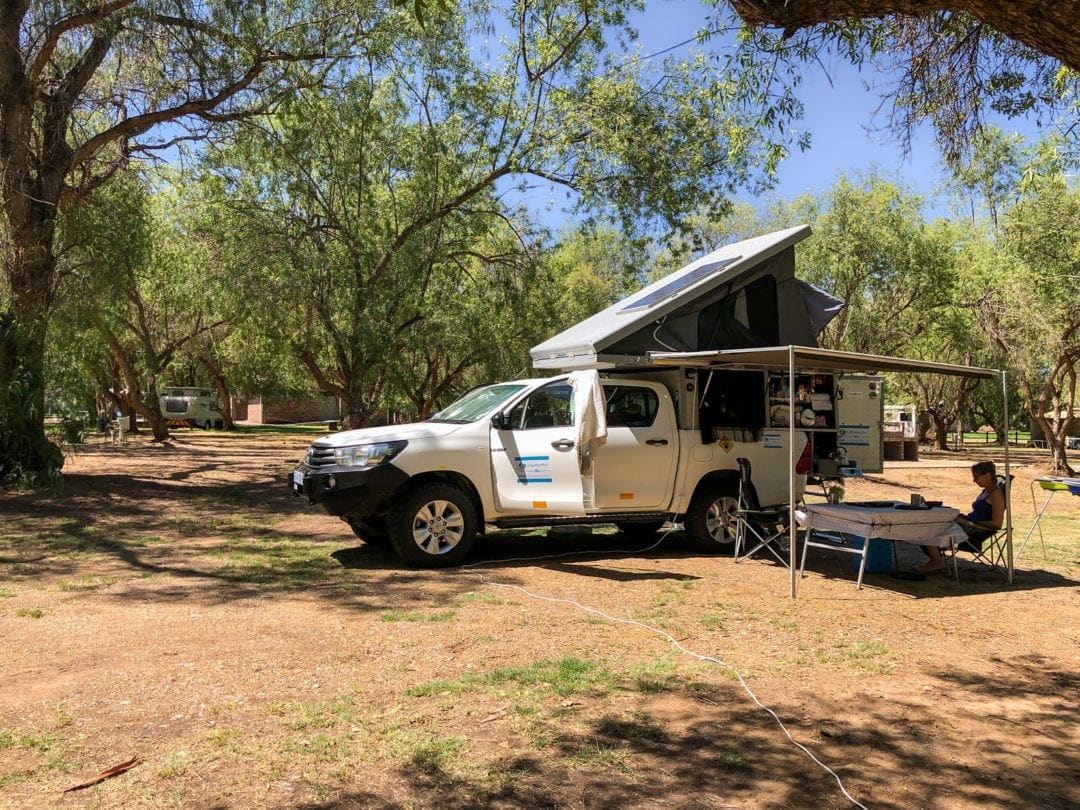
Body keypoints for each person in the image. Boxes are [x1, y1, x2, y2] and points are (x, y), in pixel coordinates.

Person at [917, 460, 1005, 574]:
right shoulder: (986, 491)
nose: (974, 480)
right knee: (932, 521)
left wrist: (970, 523)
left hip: (977, 528)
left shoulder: (996, 494)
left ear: (987, 475)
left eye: (977, 477)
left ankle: (936, 562)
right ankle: (935, 560)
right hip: (967, 522)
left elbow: (997, 524)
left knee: (932, 528)